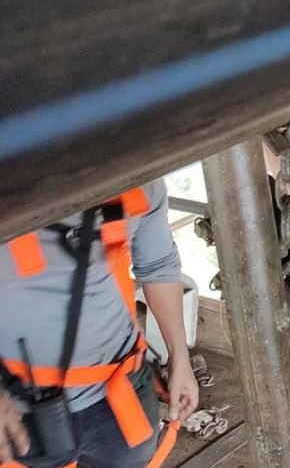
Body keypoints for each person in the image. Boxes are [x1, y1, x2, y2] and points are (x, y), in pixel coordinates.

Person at [1, 181, 199, 468]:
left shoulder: (140, 170)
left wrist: (180, 358)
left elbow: (158, 264)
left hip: (121, 400)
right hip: (17, 411)